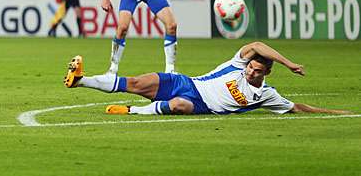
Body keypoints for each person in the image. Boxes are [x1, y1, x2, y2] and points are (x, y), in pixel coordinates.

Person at [64, 42, 351, 116]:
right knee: (137, 82)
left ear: (267, 74)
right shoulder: (236, 65)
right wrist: (288, 63)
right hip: (188, 83)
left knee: (178, 107)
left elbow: (297, 108)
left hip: (200, 105)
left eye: (257, 71)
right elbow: (257, 45)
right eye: (251, 67)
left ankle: (131, 111)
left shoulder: (266, 95)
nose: (251, 72)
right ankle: (80, 80)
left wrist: (336, 113)